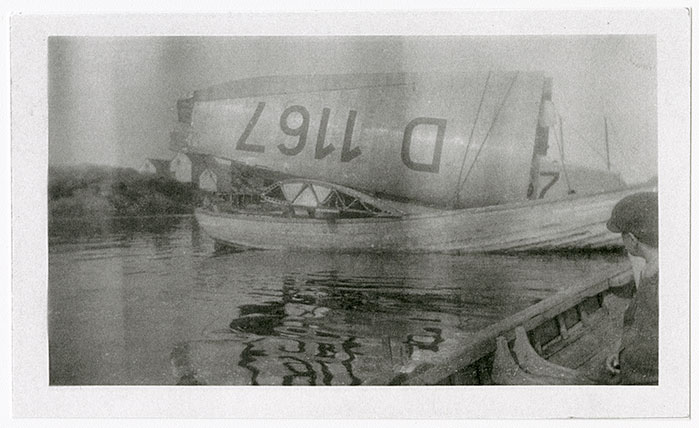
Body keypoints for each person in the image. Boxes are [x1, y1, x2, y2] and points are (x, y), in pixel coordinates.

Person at [604, 191, 659, 384]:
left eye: (622, 236)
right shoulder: (650, 269)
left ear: (632, 239)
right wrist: (621, 353)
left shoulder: (658, 279)